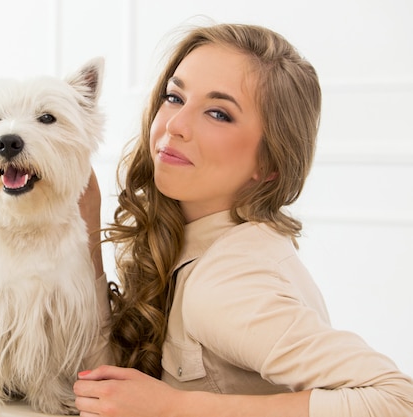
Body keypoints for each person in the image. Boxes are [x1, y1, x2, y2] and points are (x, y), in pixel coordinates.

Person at [74, 22, 413, 417]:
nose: (175, 125)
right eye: (174, 96)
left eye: (218, 113)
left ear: (269, 162)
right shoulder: (204, 240)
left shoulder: (228, 284)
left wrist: (177, 407)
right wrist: (85, 226)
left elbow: (397, 400)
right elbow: (110, 383)